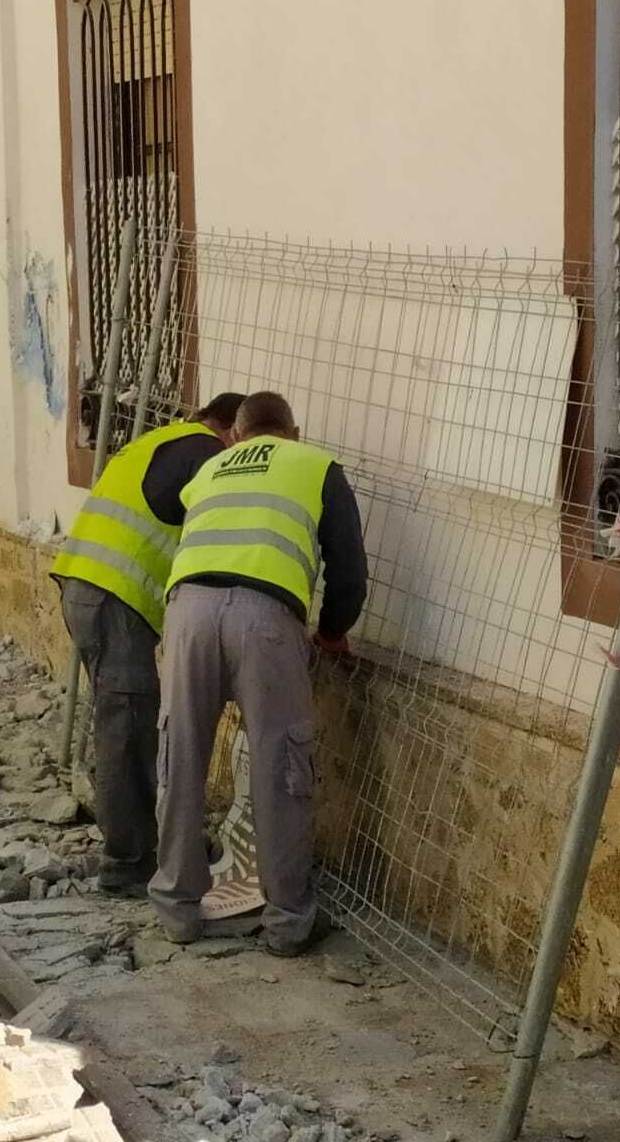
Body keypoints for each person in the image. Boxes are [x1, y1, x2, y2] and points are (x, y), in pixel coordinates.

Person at [150, 390, 368, 954]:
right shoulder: (316, 465)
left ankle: (176, 910)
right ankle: (288, 922)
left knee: (182, 754)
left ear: (239, 436)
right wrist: (334, 629)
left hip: (189, 611)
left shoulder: (210, 469)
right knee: (280, 766)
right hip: (266, 619)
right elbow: (349, 568)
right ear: (292, 432)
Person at [49, 393, 246, 896]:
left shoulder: (162, 440)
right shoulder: (205, 453)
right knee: (128, 731)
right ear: (229, 430)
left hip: (86, 588)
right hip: (115, 598)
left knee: (125, 724)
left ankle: (144, 843)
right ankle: (127, 864)